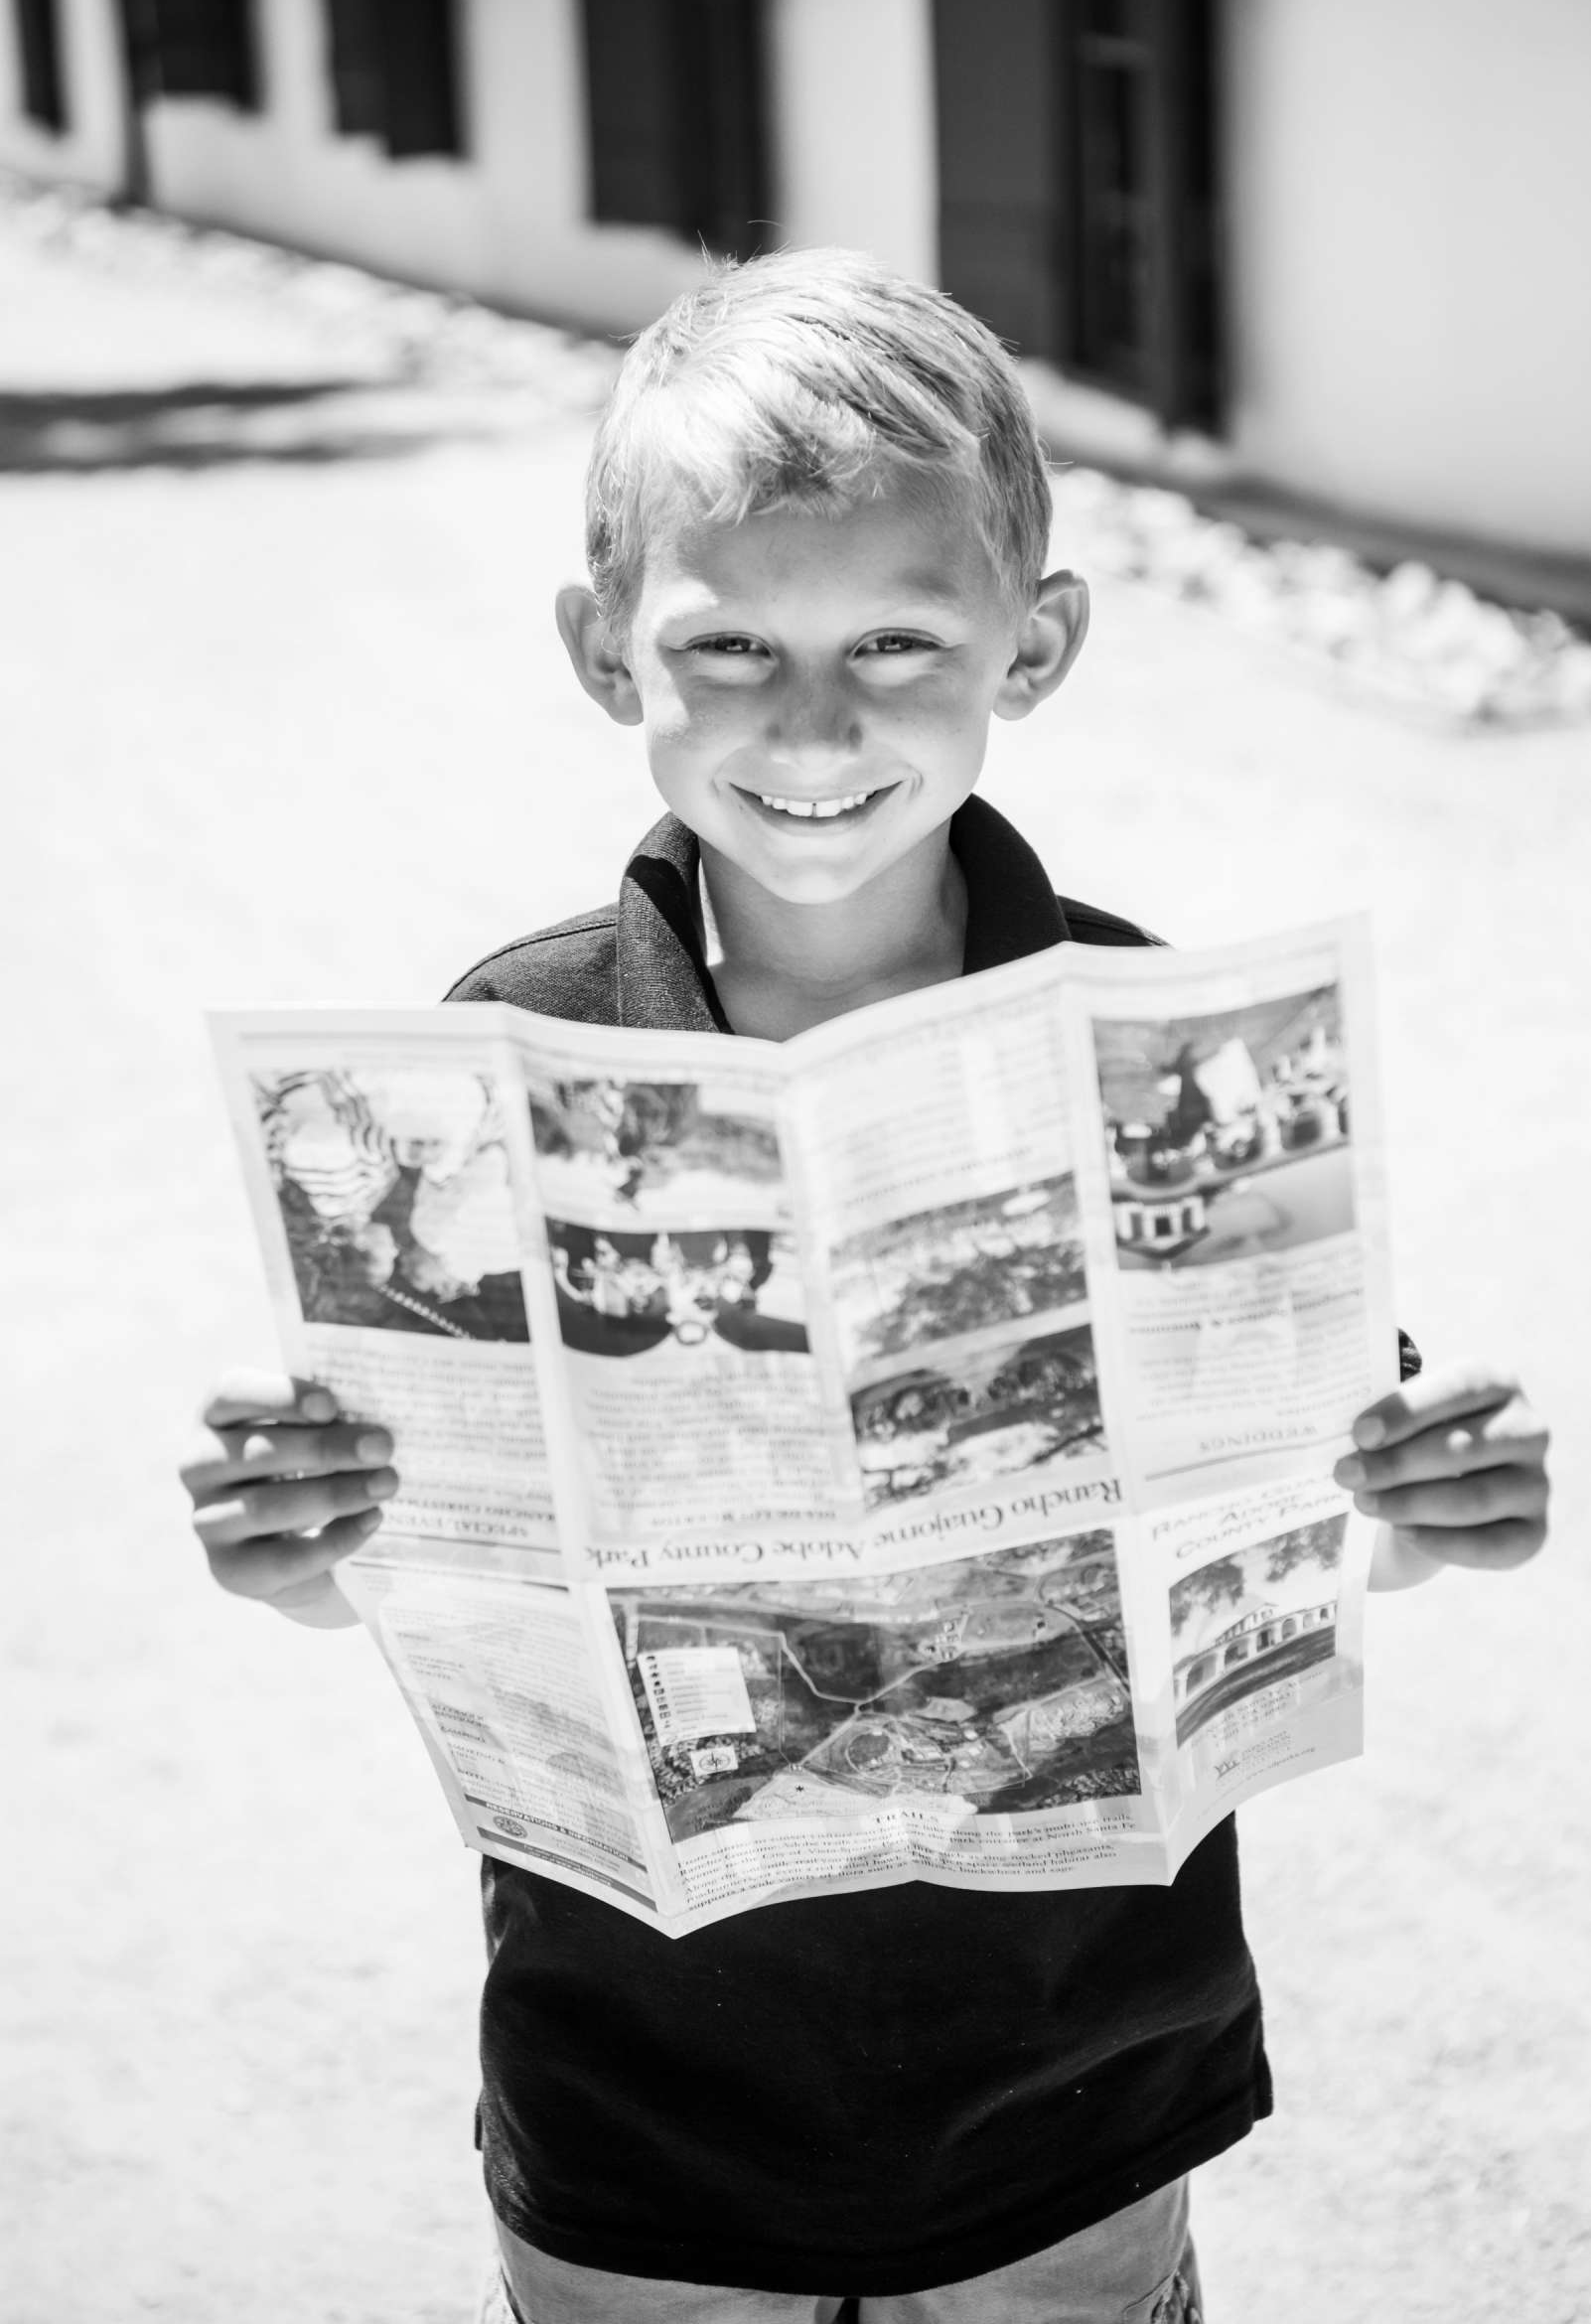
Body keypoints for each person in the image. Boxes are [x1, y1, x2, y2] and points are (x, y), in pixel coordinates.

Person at [178, 250, 1550, 2324]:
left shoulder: (1149, 1033)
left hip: (1073, 2102)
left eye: (901, 637)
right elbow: (403, 1570)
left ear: (1039, 642)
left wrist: (1433, 1511)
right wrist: (292, 1548)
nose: (810, 722)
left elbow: (1300, 1498)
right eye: (725, 643)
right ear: (600, 650)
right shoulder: (512, 1048)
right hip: (647, 2109)